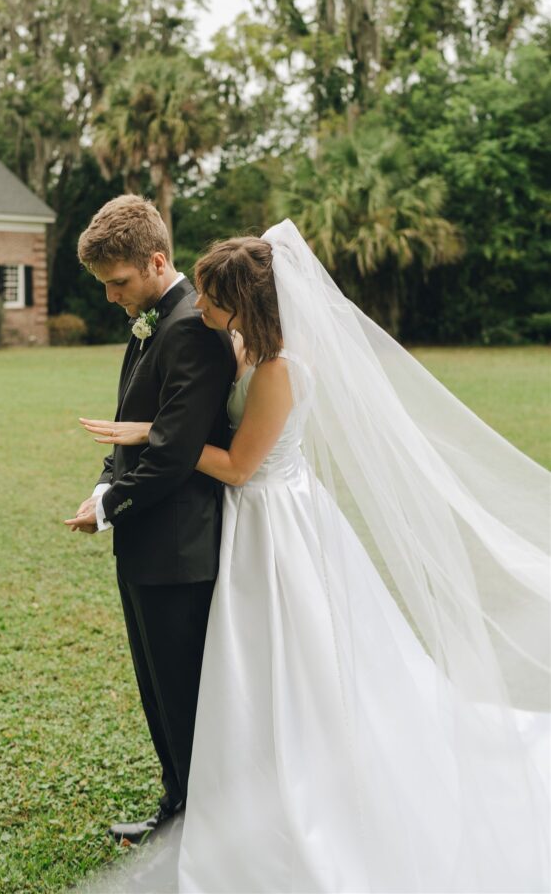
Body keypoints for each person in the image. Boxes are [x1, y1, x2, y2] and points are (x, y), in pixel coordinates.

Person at [81, 219, 550, 893]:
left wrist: (158, 435)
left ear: (248, 304)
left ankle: (302, 796)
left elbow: (241, 468)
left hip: (276, 522)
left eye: (214, 300)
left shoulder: (281, 368)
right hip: (251, 523)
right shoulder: (242, 346)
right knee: (257, 668)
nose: (204, 311)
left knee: (296, 663)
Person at [65, 195, 235, 845]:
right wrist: (102, 484)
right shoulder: (151, 318)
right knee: (157, 692)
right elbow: (131, 426)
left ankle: (193, 824)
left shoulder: (191, 326)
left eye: (117, 283)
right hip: (145, 542)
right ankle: (177, 806)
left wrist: (111, 505)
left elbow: (173, 453)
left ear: (156, 260)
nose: (111, 297)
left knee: (183, 698)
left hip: (179, 549)